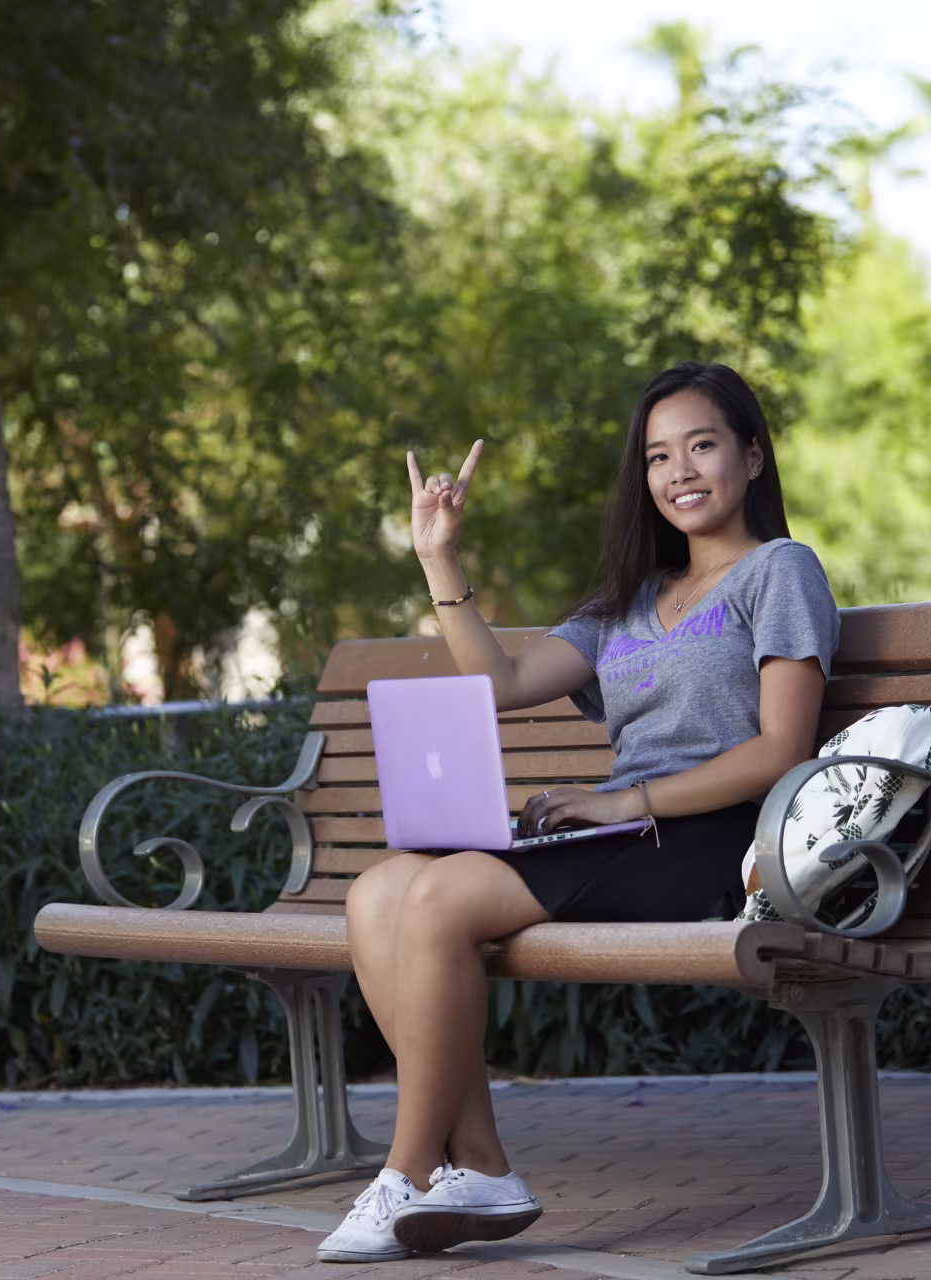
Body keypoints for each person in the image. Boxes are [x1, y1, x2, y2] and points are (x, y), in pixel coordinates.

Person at [316, 360, 840, 1263]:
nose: (680, 471)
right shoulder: (626, 603)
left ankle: (408, 1171)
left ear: (752, 458)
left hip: (708, 838)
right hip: (620, 834)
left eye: (703, 446)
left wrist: (622, 798)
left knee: (438, 902)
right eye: (658, 456)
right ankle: (477, 1163)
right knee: (376, 895)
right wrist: (438, 556)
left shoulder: (780, 573)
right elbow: (504, 681)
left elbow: (779, 751)